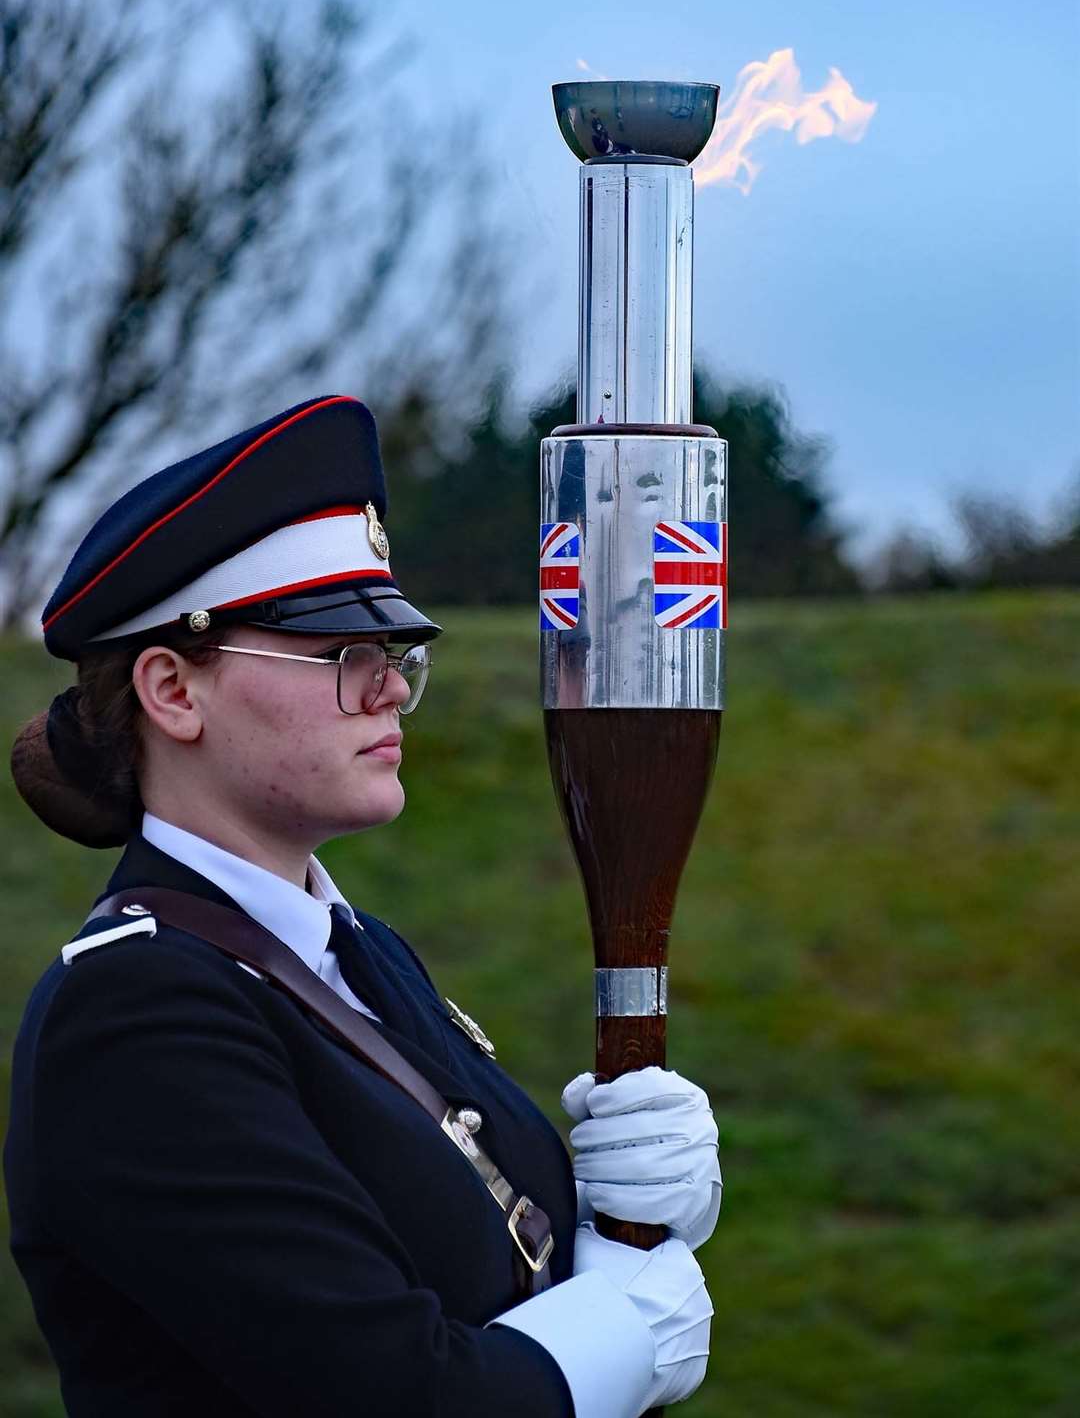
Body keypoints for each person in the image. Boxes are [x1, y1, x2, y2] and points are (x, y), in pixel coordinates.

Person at [5, 394, 721, 1417]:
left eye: (394, 657)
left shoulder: (356, 952)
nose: (387, 689)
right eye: (341, 654)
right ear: (172, 690)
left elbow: (482, 1264)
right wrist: (628, 1328)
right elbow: (391, 1391)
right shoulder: (135, 1010)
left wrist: (621, 1218)